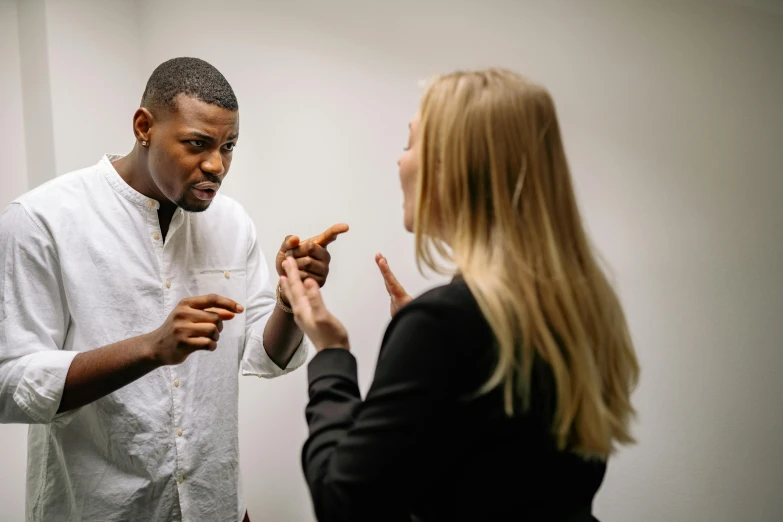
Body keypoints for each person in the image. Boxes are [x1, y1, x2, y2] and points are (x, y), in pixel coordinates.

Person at [279, 68, 640, 522]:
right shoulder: (578, 308)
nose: (399, 161)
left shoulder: (445, 324)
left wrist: (332, 354)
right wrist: (431, 353)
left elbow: (345, 504)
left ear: (454, 166)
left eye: (411, 143)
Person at [0, 57, 347, 521]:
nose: (216, 165)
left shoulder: (232, 223)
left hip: (214, 505)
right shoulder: (42, 221)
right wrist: (150, 348)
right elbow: (10, 382)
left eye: (229, 146)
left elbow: (264, 354)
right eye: (197, 144)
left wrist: (290, 300)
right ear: (144, 126)